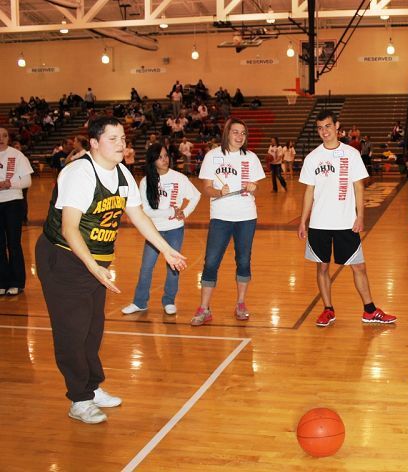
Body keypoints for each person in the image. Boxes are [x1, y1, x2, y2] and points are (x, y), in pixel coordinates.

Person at [35, 116, 187, 424]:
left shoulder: (122, 174)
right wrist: (94, 268)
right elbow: (69, 229)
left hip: (94, 263)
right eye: (113, 139)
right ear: (94, 143)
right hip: (64, 259)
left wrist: (166, 249)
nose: (121, 144)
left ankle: (91, 388)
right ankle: (78, 399)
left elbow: (138, 215)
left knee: (92, 329)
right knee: (72, 332)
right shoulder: (80, 173)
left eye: (123, 138)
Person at [297, 110, 397, 327]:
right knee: (322, 268)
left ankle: (370, 310)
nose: (324, 131)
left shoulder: (351, 154)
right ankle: (328, 309)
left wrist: (360, 216)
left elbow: (359, 187)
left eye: (328, 126)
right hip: (319, 223)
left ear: (337, 126)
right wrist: (303, 220)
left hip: (345, 222)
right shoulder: (312, 158)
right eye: (320, 128)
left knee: (359, 266)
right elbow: (308, 192)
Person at [192, 117, 265, 325]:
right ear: (227, 133)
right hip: (220, 218)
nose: (239, 136)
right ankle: (204, 308)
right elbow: (206, 188)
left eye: (243, 133)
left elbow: (258, 189)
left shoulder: (251, 158)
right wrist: (218, 191)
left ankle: (241, 303)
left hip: (246, 217)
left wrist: (254, 188)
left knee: (243, 260)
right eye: (235, 132)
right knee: (211, 262)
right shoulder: (212, 156)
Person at [122, 143, 201, 316]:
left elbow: (196, 195)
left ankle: (169, 301)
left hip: (174, 230)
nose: (164, 160)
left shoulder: (179, 178)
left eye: (166, 156)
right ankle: (140, 302)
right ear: (152, 160)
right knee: (146, 268)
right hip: (153, 231)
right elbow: (148, 212)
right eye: (160, 157)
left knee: (173, 268)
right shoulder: (145, 181)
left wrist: (185, 212)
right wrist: (172, 211)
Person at [0, 128, 33, 295]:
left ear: (8, 138)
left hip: (13, 202)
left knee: (13, 244)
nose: (1, 139)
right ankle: (2, 282)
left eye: (4, 136)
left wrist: (8, 184)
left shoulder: (17, 155)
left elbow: (27, 181)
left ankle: (17, 282)